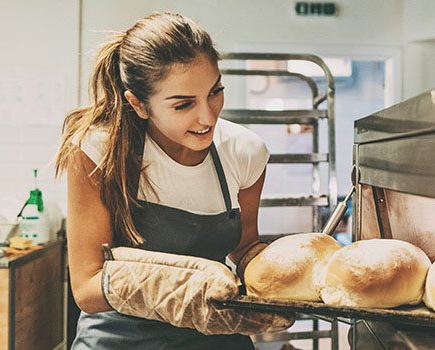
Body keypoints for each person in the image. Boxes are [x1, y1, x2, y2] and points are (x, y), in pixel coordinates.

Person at [54, 13, 293, 349]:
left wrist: (288, 276)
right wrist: (186, 291)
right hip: (121, 341)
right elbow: (87, 289)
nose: (208, 117)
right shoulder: (99, 151)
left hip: (215, 337)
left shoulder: (245, 151)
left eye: (215, 91)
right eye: (183, 104)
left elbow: (243, 246)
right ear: (138, 104)